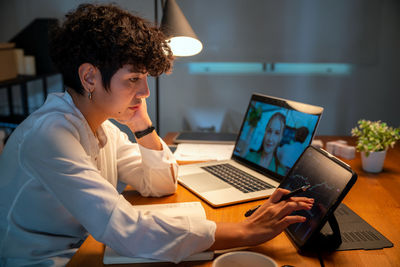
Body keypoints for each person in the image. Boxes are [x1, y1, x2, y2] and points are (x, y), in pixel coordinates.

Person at [0, 4, 314, 266]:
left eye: (145, 79)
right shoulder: (50, 135)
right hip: (48, 261)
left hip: (85, 250)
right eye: (134, 79)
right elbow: (126, 229)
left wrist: (141, 125)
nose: (145, 91)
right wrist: (243, 231)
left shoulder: (101, 126)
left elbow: (160, 185)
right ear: (89, 77)